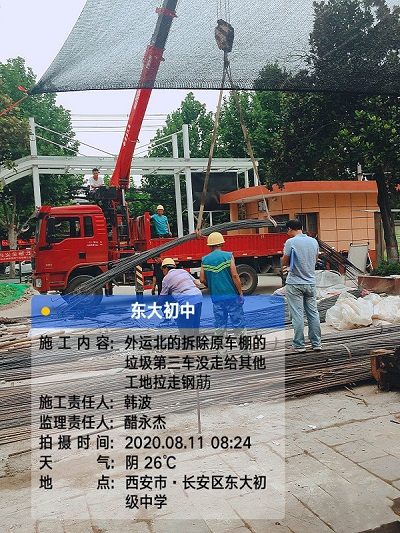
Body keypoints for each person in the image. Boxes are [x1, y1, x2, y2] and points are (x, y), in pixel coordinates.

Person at [200, 232, 246, 353]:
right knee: (238, 324)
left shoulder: (205, 260)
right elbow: (235, 275)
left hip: (217, 299)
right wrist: (240, 292)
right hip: (232, 297)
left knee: (220, 327)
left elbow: (202, 279)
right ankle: (245, 352)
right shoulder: (228, 256)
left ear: (210, 246)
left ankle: (222, 354)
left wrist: (211, 286)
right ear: (221, 244)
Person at [282, 219, 322, 352]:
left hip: (294, 283)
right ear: (302, 227)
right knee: (313, 313)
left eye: (287, 230)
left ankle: (299, 345)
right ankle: (316, 343)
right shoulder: (313, 241)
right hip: (310, 283)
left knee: (297, 315)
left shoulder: (290, 242)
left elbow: (285, 261)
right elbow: (315, 260)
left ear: (289, 229)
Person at [158, 258, 202, 337]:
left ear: (165, 268)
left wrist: (158, 304)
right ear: (174, 266)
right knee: (195, 321)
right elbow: (197, 283)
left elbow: (162, 297)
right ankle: (196, 337)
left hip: (188, 301)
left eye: (162, 270)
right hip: (198, 297)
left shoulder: (166, 279)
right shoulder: (183, 271)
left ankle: (188, 340)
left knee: (182, 322)